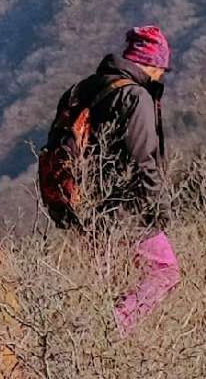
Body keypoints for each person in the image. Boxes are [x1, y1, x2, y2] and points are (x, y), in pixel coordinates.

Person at [37, 24, 180, 328]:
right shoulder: (135, 97)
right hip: (126, 209)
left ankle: (97, 345)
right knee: (165, 270)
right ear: (152, 63)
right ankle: (112, 331)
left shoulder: (87, 88)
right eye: (162, 69)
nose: (161, 77)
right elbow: (144, 160)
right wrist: (159, 212)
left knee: (114, 283)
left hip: (84, 206)